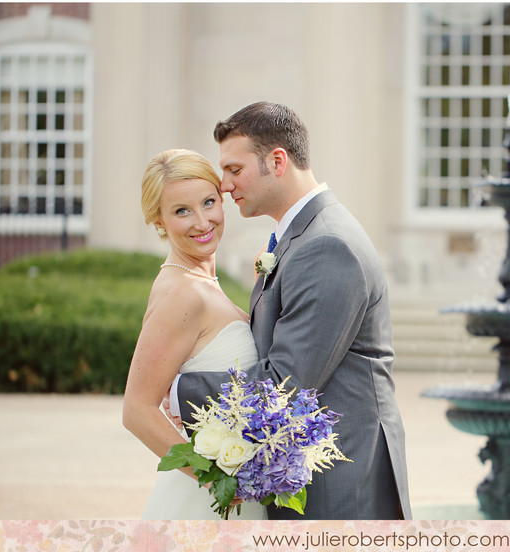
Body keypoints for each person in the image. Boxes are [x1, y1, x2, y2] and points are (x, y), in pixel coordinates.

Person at [172, 102, 412, 520]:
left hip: (341, 491)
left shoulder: (327, 246)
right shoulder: (298, 238)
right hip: (313, 478)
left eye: (234, 169)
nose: (225, 186)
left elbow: (284, 382)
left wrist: (178, 390)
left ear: (277, 161)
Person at [122, 149, 266, 520]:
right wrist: (214, 477)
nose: (202, 222)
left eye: (208, 202)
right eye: (181, 211)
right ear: (159, 220)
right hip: (209, 503)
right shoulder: (183, 292)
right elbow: (137, 410)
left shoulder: (202, 282)